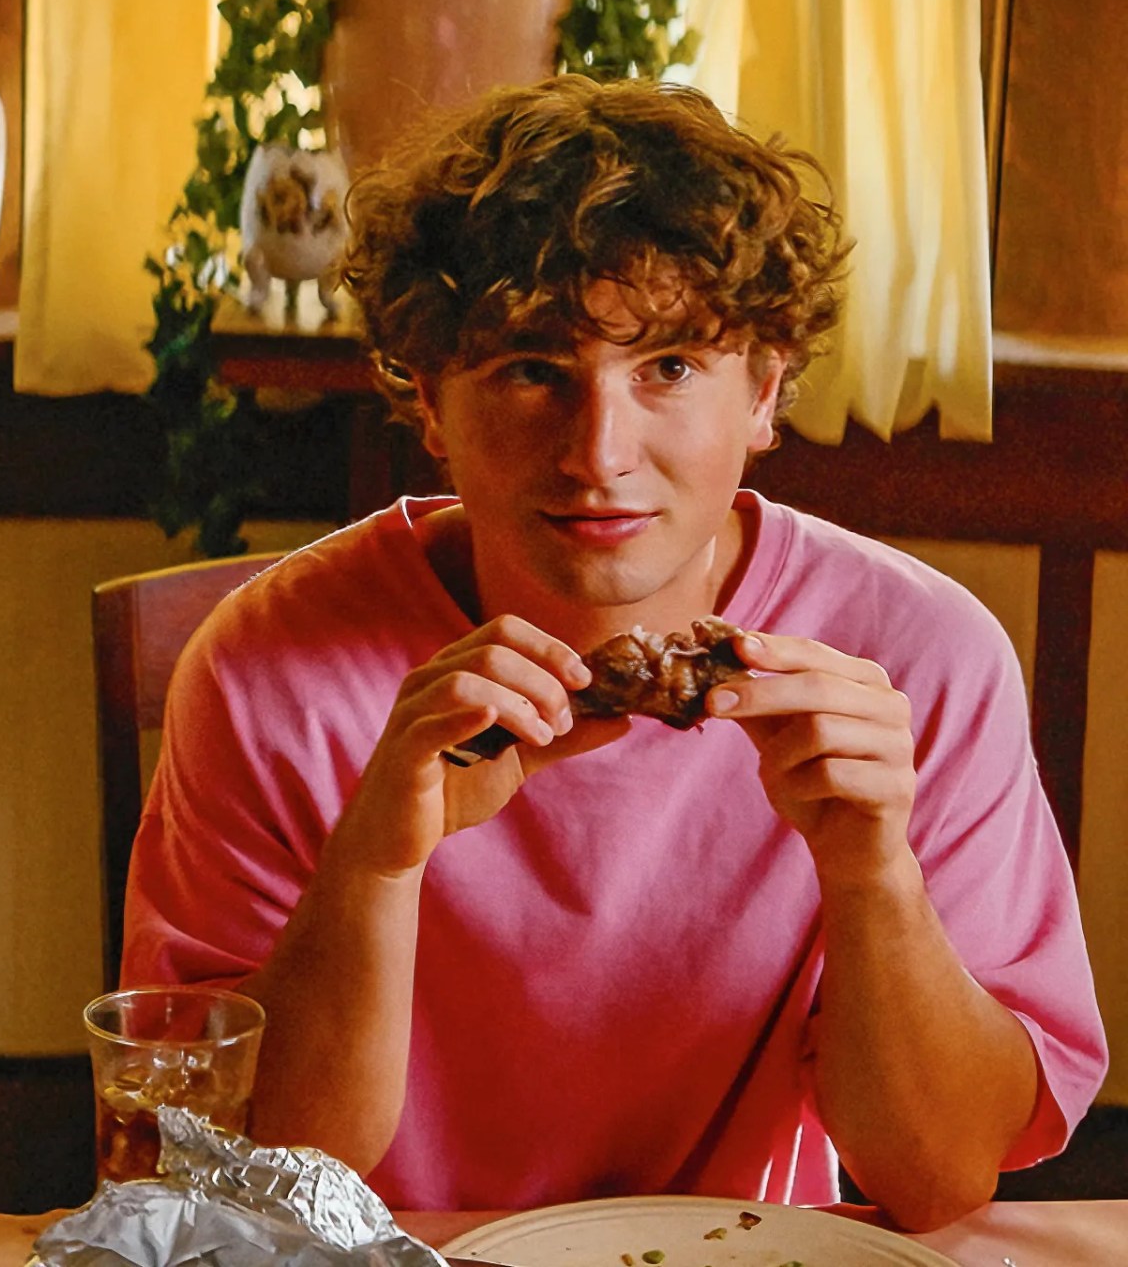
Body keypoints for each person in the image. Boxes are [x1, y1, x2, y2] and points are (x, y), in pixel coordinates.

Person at [122, 75, 1106, 1231]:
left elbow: (939, 1177)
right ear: (429, 399)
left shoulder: (921, 666)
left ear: (766, 389)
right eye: (531, 370)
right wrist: (377, 869)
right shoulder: (265, 667)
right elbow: (235, 1187)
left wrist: (871, 873)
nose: (599, 454)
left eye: (669, 369)